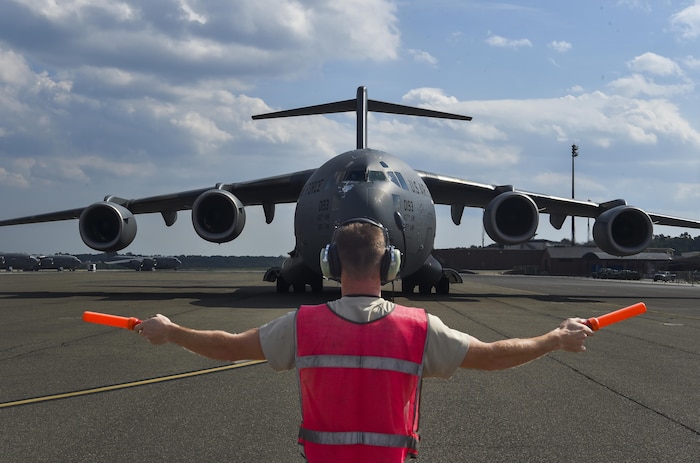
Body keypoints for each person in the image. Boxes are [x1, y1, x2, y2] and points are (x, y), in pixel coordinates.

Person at [135, 218, 592, 462]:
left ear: (331, 265)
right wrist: (554, 337)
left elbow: (228, 347)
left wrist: (171, 331)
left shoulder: (303, 324)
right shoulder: (418, 327)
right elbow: (493, 358)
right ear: (390, 265)